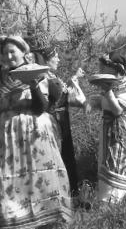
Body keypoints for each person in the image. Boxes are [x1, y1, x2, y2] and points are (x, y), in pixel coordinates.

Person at [0, 35, 72, 229]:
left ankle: (45, 222)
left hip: (36, 133)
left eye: (12, 52)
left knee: (39, 175)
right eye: (5, 53)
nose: (8, 56)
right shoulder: (1, 78)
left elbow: (40, 107)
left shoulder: (38, 72)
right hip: (8, 135)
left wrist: (33, 85)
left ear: (24, 53)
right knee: (6, 177)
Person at [33, 46, 87, 198]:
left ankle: (71, 192)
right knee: (58, 156)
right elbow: (55, 100)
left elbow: (63, 96)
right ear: (46, 60)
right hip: (53, 122)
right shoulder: (43, 78)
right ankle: (58, 193)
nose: (58, 59)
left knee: (66, 155)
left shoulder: (52, 76)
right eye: (55, 57)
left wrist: (74, 79)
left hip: (63, 120)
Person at [93, 52, 126, 203]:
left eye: (103, 68)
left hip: (122, 130)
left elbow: (118, 110)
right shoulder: (112, 87)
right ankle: (105, 202)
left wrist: (107, 91)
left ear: (114, 69)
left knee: (117, 164)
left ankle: (117, 203)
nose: (100, 70)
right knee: (106, 162)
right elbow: (102, 104)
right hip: (108, 128)